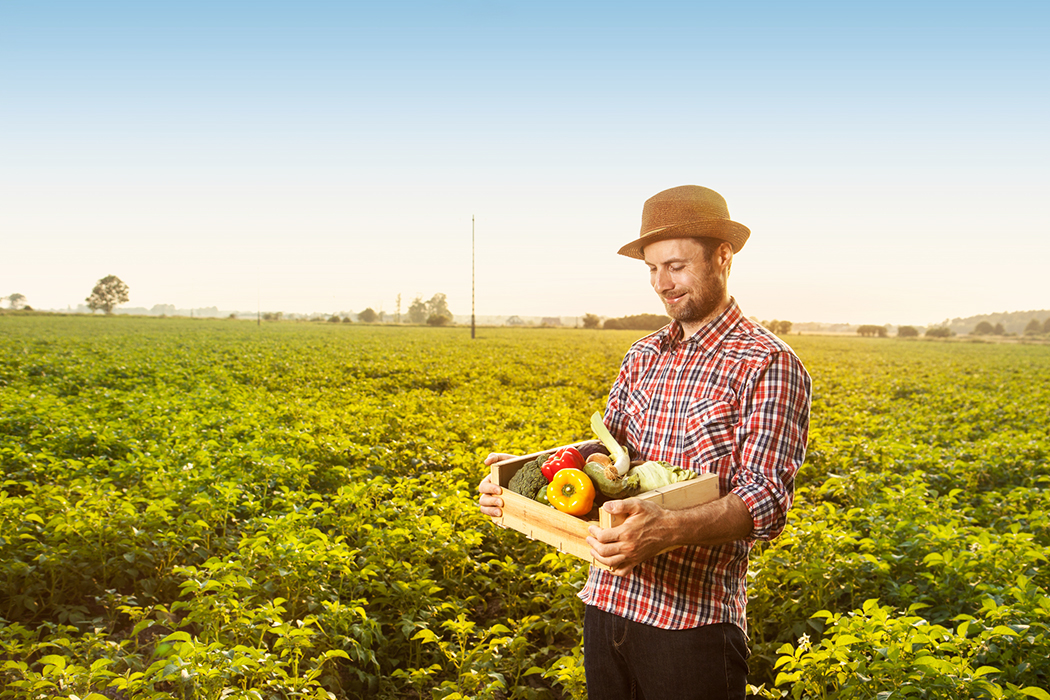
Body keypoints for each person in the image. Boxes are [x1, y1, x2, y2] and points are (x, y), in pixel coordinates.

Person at [478, 185, 812, 699]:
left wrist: (670, 528)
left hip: (692, 627)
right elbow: (608, 455)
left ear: (722, 256)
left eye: (675, 266)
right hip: (606, 606)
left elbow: (765, 502)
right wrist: (529, 474)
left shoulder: (767, 362)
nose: (662, 283)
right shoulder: (643, 355)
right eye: (652, 269)